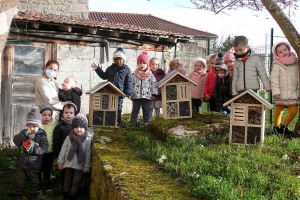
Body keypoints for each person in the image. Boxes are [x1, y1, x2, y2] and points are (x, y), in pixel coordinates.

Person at [13, 106, 49, 200]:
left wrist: (34, 149)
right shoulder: (24, 133)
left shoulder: (41, 136)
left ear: (38, 126)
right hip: (22, 163)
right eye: (29, 126)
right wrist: (24, 135)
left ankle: (33, 195)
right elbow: (16, 141)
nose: (31, 128)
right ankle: (18, 195)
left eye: (34, 126)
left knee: (34, 181)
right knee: (20, 181)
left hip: (34, 164)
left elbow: (44, 148)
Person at [91, 47, 133, 125]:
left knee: (118, 107)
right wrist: (98, 69)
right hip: (110, 91)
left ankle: (117, 121)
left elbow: (129, 81)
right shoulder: (110, 69)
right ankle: (109, 121)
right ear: (113, 60)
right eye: (116, 59)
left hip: (120, 93)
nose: (118, 61)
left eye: (120, 59)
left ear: (124, 60)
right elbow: (104, 76)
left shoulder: (127, 70)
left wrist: (128, 92)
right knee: (108, 106)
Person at [57, 115, 92, 200]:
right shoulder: (69, 138)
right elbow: (63, 150)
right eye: (76, 126)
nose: (78, 129)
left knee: (76, 181)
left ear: (85, 128)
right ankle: (66, 193)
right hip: (68, 162)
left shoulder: (88, 140)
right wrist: (60, 162)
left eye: (81, 127)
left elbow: (88, 153)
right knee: (67, 179)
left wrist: (87, 166)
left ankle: (72, 195)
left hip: (80, 164)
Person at [270, 41, 299, 135]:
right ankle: (275, 128)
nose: (283, 52)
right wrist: (275, 92)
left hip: (293, 92)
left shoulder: (296, 62)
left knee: (294, 111)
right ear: (277, 54)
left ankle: (284, 127)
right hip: (281, 92)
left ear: (289, 49)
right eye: (280, 52)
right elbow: (274, 80)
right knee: (279, 111)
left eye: (285, 49)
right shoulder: (277, 65)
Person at [53, 103, 77, 192]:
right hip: (63, 153)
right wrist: (57, 155)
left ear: (74, 114)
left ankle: (72, 189)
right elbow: (56, 142)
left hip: (74, 153)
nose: (68, 115)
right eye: (66, 112)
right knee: (64, 171)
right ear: (62, 113)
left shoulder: (77, 126)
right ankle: (64, 188)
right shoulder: (59, 127)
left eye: (71, 113)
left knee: (73, 171)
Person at [130, 51, 158, 123]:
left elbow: (154, 84)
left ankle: (146, 123)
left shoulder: (150, 75)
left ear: (147, 65)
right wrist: (129, 92)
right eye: (140, 63)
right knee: (135, 111)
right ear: (138, 64)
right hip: (136, 96)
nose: (142, 65)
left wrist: (154, 94)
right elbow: (130, 83)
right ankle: (132, 124)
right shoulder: (134, 74)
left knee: (146, 111)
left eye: (144, 63)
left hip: (146, 96)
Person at [37, 103, 57, 192]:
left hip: (50, 152)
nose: (47, 117)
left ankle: (47, 182)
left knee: (47, 168)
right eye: (44, 115)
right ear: (39, 116)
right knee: (39, 168)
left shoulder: (54, 126)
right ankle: (37, 183)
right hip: (39, 152)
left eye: (49, 115)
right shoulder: (37, 126)